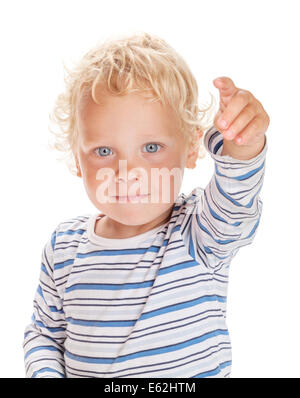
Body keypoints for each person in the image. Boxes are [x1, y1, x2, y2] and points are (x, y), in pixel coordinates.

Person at [23, 31, 269, 378]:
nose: (128, 173)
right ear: (78, 158)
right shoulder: (64, 248)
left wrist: (243, 146)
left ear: (191, 147)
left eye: (151, 148)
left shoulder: (199, 232)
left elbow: (236, 202)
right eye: (104, 152)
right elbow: (44, 335)